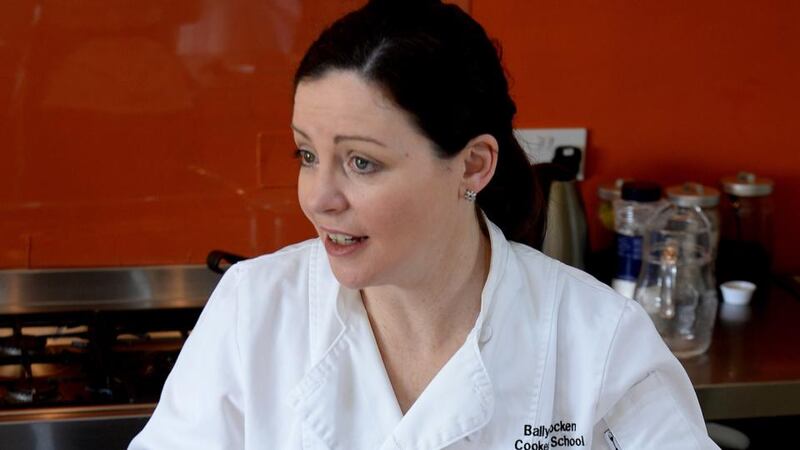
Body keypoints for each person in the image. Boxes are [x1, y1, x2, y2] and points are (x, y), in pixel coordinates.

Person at [129, 0, 718, 448]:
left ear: (472, 165)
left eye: (362, 162)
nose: (318, 198)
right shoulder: (251, 310)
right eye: (306, 155)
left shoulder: (599, 338)